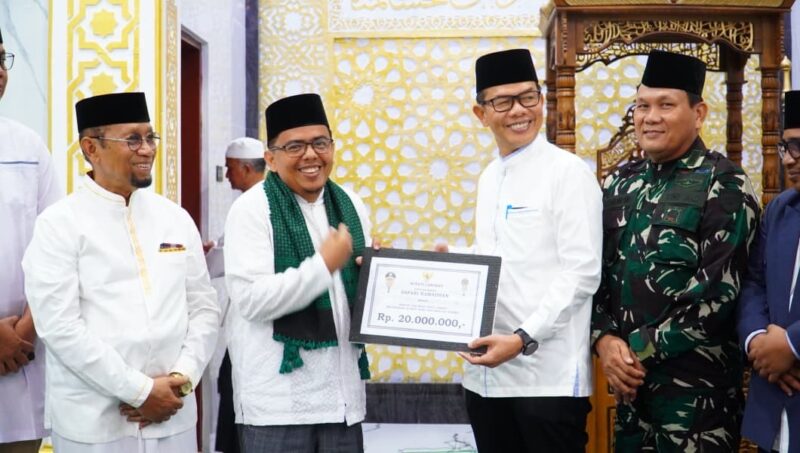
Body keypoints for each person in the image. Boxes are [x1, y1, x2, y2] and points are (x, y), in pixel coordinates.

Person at [21, 92, 220, 452]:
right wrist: (140, 391)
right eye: (132, 139)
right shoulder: (59, 224)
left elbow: (204, 308)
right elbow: (59, 326)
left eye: (149, 137)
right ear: (91, 148)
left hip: (173, 416)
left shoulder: (174, 217)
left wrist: (182, 378)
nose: (146, 149)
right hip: (95, 425)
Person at [591, 50, 760, 452]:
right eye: (642, 105)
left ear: (698, 113)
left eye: (666, 105)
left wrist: (635, 350)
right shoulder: (621, 184)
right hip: (631, 399)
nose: (650, 117)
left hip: (697, 404)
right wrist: (603, 338)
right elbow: (593, 273)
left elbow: (719, 296)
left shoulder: (725, 185)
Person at [437, 48, 603, 453]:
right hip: (486, 378)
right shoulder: (490, 177)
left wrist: (524, 337)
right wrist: (452, 261)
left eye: (528, 97)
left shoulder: (568, 172)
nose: (519, 111)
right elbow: (503, 255)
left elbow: (582, 273)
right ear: (481, 114)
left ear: (541, 100)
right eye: (503, 101)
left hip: (546, 380)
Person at [224, 93, 372, 452]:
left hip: (343, 402)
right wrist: (324, 265)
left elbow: (357, 299)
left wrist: (377, 274)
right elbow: (253, 301)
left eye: (320, 143)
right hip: (279, 406)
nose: (310, 155)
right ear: (271, 159)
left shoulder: (349, 203)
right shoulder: (252, 210)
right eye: (295, 146)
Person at [0, 26, 63, 453]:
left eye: (2, 59)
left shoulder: (27, 146)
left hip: (21, 352)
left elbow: (56, 248)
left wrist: (24, 330)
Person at [737, 90, 800, 453]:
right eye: (785, 147)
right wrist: (759, 341)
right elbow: (753, 284)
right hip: (775, 396)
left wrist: (791, 344)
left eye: (799, 146)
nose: (790, 160)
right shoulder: (779, 210)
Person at [204, 136, 266, 453]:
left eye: (230, 169)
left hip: (257, 319)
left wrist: (202, 255)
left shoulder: (252, 205)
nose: (227, 176)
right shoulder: (259, 201)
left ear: (245, 168)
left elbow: (228, 259)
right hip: (252, 320)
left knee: (234, 387)